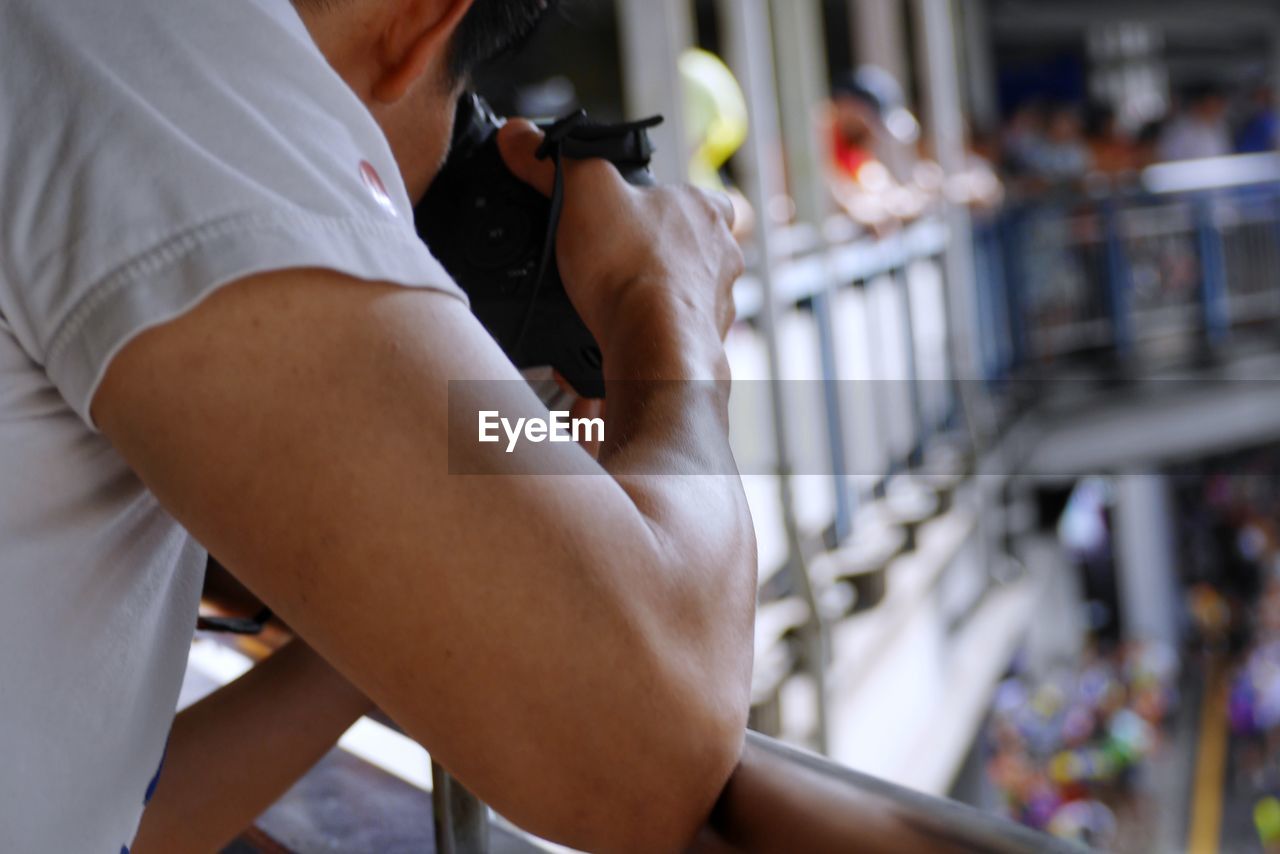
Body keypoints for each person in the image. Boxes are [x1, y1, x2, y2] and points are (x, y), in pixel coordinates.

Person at [0, 0, 757, 852]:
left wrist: (439, 579)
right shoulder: (169, 58)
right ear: (415, 24)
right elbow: (650, 750)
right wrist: (662, 297)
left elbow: (102, 817)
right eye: (377, 201)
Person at [1158, 82, 1233, 162]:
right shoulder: (1180, 130)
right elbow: (1169, 159)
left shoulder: (1220, 126)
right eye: (1211, 105)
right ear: (1199, 104)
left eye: (1218, 105)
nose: (1216, 109)